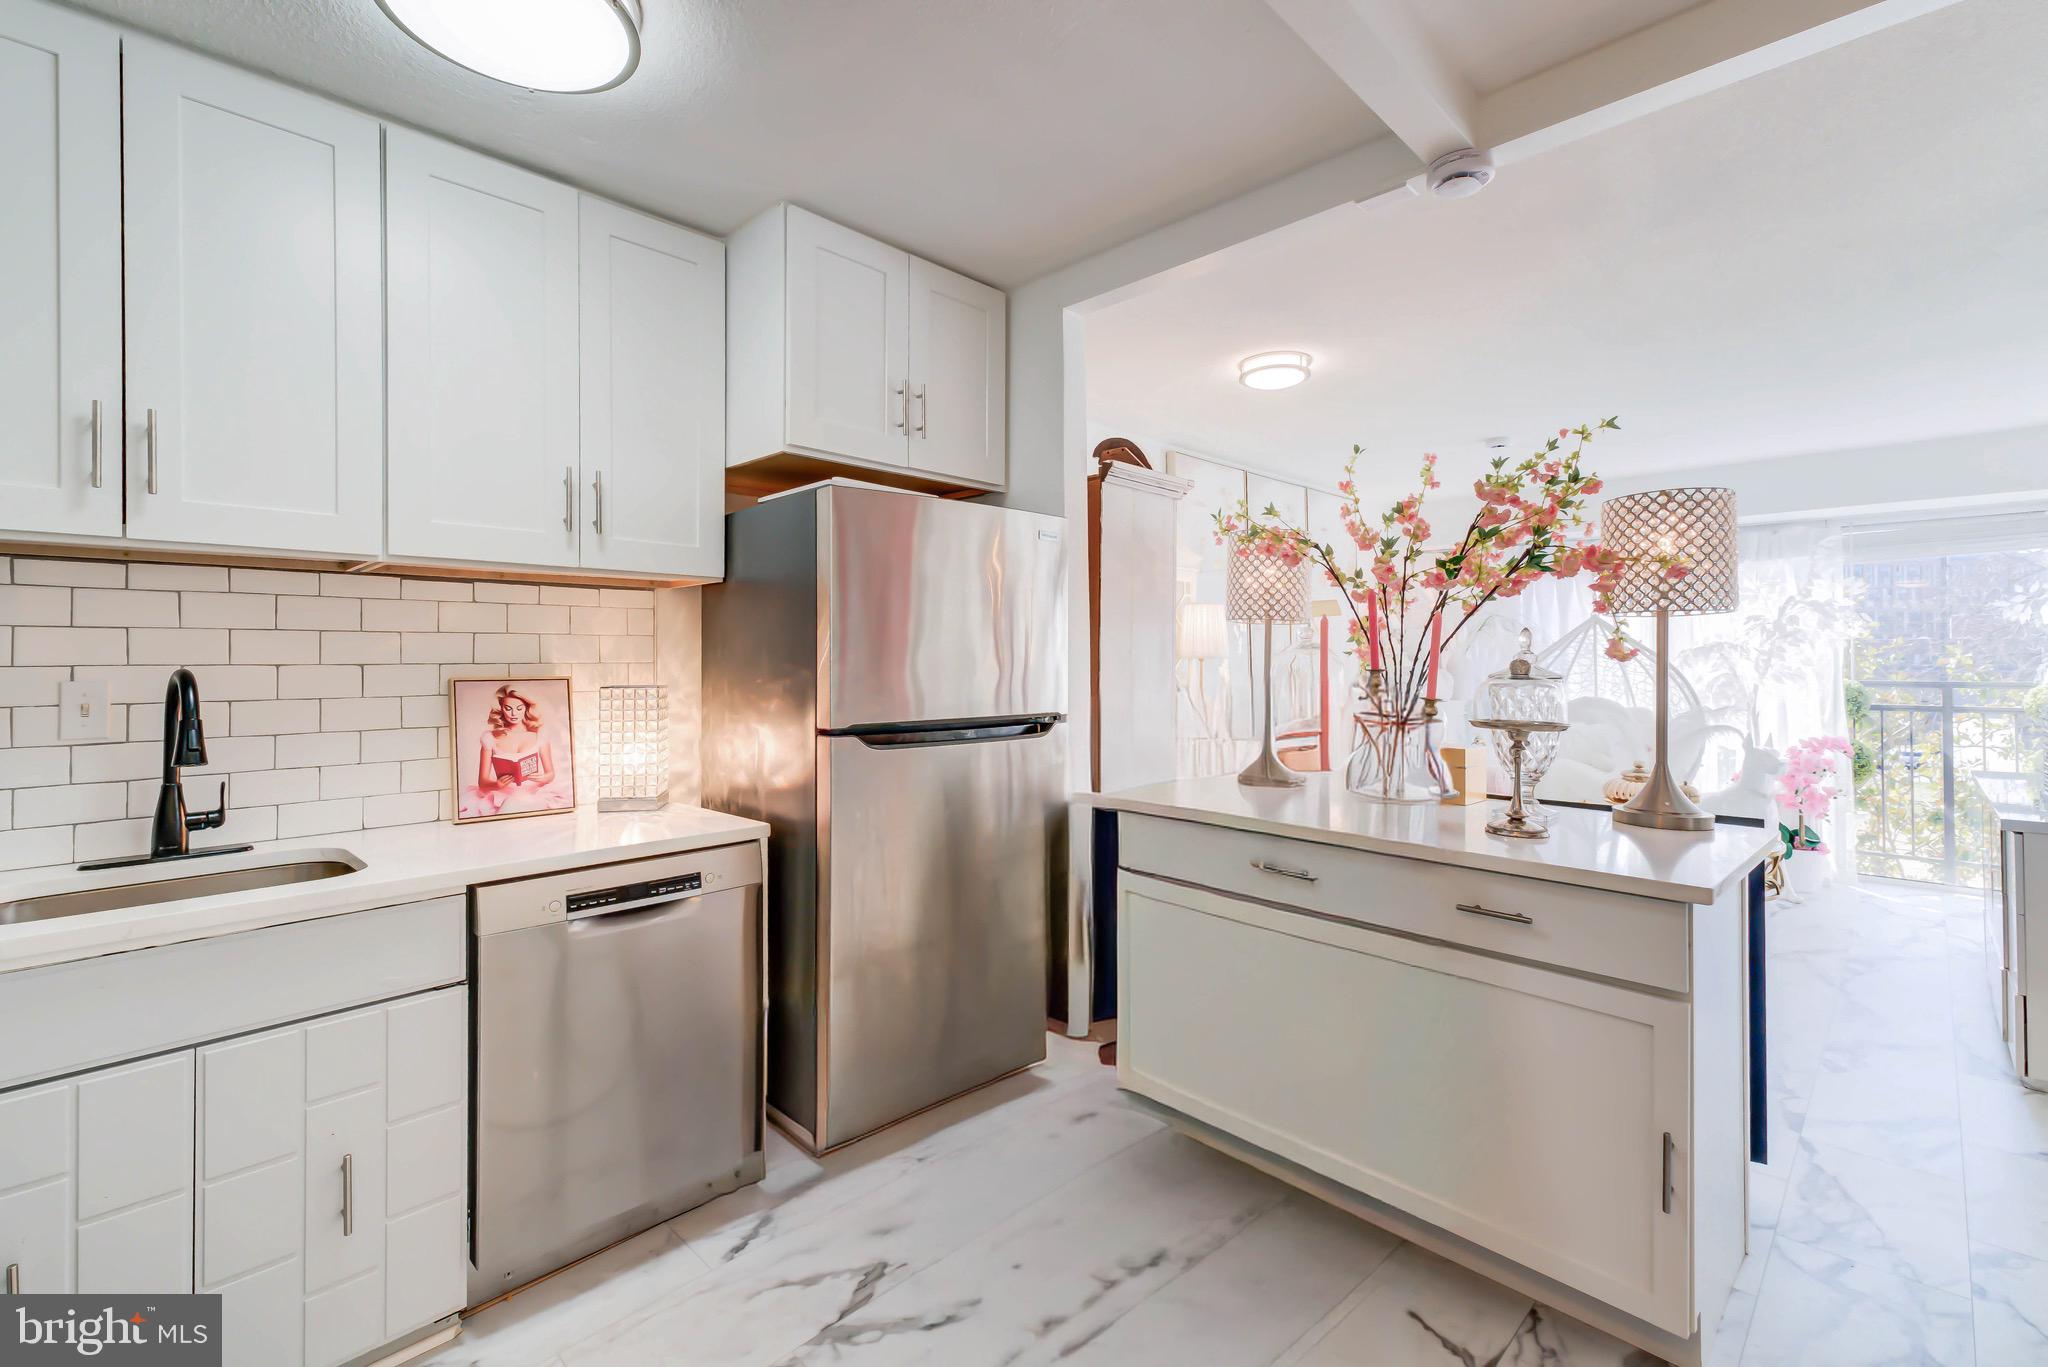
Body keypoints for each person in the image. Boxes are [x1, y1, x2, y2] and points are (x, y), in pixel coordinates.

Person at [470, 684, 561, 816]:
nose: (513, 714)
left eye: (519, 708)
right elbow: (482, 783)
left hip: (535, 793)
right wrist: (497, 785)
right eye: (508, 708)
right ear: (501, 708)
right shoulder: (489, 738)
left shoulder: (540, 734)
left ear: (526, 708)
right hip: (504, 796)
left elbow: (550, 774)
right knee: (511, 805)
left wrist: (543, 778)